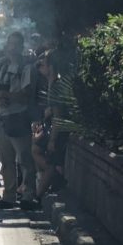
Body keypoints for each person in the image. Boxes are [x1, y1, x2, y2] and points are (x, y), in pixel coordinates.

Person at [0, 32, 38, 210]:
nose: (12, 48)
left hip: (20, 118)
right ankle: (9, 196)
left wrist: (6, 95)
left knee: (25, 159)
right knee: (6, 160)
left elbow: (26, 95)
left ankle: (28, 195)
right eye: (10, 44)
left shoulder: (27, 68)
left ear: (21, 46)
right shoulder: (4, 68)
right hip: (4, 119)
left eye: (16, 44)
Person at [32, 51, 69, 200]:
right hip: (53, 127)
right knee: (36, 149)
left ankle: (39, 195)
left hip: (58, 131)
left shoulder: (56, 86)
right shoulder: (53, 83)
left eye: (43, 64)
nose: (40, 68)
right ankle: (52, 181)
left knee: (50, 163)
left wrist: (53, 140)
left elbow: (58, 116)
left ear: (51, 67)